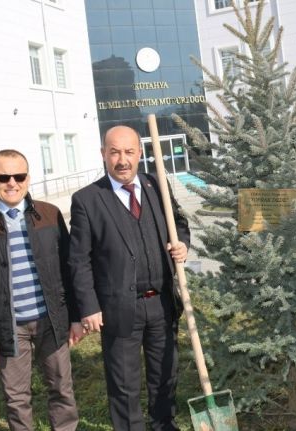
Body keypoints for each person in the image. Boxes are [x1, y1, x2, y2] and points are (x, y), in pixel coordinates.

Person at [69, 125, 190, 430]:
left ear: (140, 154)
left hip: (162, 303)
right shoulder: (87, 200)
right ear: (103, 155)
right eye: (114, 152)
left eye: (128, 152)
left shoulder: (155, 184)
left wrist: (183, 243)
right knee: (124, 383)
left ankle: (163, 424)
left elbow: (179, 221)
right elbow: (78, 260)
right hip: (119, 308)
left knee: (166, 372)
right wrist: (88, 307)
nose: (122, 160)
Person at [0, 149, 82, 430]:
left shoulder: (49, 215)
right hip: (7, 326)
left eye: (19, 175)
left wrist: (75, 317)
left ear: (28, 178)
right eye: (3, 176)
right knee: (16, 399)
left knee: (62, 390)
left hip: (51, 321)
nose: (12, 182)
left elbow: (68, 269)